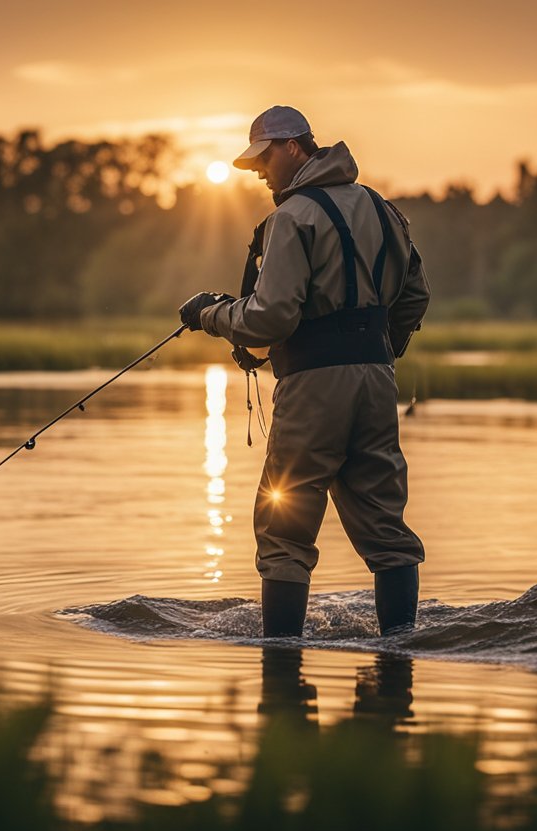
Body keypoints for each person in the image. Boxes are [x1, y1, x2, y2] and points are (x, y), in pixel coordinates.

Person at [179, 105, 429, 638]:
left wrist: (209, 313)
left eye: (265, 160)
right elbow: (416, 294)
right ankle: (403, 654)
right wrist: (381, 352)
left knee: (285, 530)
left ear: (294, 147)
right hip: (378, 379)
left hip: (315, 383)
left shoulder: (291, 218)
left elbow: (270, 316)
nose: (261, 173)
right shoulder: (384, 209)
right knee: (386, 527)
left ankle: (282, 666)